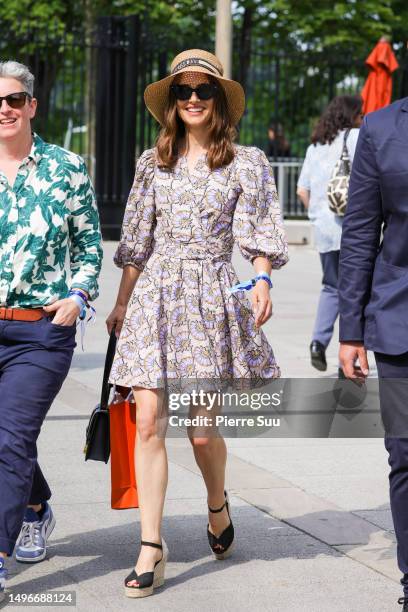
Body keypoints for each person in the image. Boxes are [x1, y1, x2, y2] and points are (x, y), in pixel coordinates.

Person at [106, 48, 289, 598]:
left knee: (202, 430)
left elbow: (258, 228)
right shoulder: (150, 162)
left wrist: (261, 278)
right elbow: (136, 243)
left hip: (210, 297)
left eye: (202, 90)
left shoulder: (246, 162)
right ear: (170, 101)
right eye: (182, 91)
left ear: (218, 100)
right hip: (155, 296)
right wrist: (120, 302)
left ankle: (217, 505)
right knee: (147, 421)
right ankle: (152, 547)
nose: (191, 99)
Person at [0, 61, 102, 601]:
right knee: (6, 439)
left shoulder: (66, 168)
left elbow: (90, 245)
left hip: (41, 330)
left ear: (32, 105)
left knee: (10, 436)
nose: (5, 109)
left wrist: (79, 297)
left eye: (15, 99)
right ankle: (36, 505)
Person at [338, 96, 408, 611]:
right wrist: (351, 330)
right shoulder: (381, 128)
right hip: (398, 319)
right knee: (405, 454)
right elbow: (361, 231)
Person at [296, 95, 363, 373]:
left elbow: (302, 190)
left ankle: (317, 343)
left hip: (324, 230)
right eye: (361, 115)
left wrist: (317, 216)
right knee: (359, 291)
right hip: (354, 229)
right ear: (352, 116)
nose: (363, 120)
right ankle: (352, 357)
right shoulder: (358, 138)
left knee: (331, 287)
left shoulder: (316, 146)